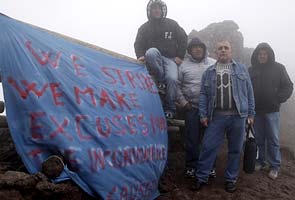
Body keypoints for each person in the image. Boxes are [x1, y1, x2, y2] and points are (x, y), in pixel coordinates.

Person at [193, 40, 255, 193]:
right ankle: (201, 177)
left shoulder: (241, 69)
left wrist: (251, 114)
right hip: (216, 116)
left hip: (238, 116)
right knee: (208, 147)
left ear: (231, 51)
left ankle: (230, 179)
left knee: (235, 150)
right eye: (220, 48)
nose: (223, 50)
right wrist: (203, 115)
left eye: (226, 48)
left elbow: (249, 92)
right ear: (215, 52)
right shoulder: (208, 72)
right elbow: (203, 95)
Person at [134, 0, 187, 119]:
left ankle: (170, 109)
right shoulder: (144, 28)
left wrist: (180, 55)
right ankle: (162, 80)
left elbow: (183, 38)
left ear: (162, 10)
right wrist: (140, 55)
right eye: (154, 8)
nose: (157, 10)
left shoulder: (172, 24)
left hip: (171, 59)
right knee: (150, 52)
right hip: (154, 58)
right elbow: (138, 43)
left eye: (159, 8)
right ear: (150, 11)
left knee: (173, 79)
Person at [249, 43, 293, 180]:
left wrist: (277, 99)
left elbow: (288, 86)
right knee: (258, 138)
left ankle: (275, 166)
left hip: (272, 111)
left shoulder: (279, 68)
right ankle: (261, 161)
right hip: (256, 111)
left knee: (273, 139)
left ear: (269, 55)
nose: (262, 56)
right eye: (260, 54)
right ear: (256, 55)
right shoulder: (251, 70)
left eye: (265, 53)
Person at [177, 38, 215, 178]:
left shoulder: (213, 63)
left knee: (209, 140)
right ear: (190, 50)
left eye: (200, 47)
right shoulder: (183, 66)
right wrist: (183, 102)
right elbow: (177, 86)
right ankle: (191, 166)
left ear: (204, 49)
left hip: (210, 109)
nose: (198, 49)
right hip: (191, 107)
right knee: (191, 139)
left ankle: (210, 167)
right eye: (194, 47)